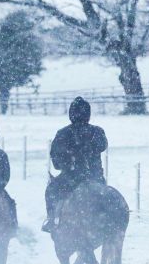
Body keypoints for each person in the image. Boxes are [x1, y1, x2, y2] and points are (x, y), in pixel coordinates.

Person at [41, 96, 107, 233]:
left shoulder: (63, 133)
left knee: (51, 191)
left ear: (71, 114)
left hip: (71, 180)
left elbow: (57, 164)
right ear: (88, 114)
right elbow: (102, 146)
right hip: (96, 178)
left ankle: (52, 220)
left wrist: (70, 162)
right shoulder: (98, 132)